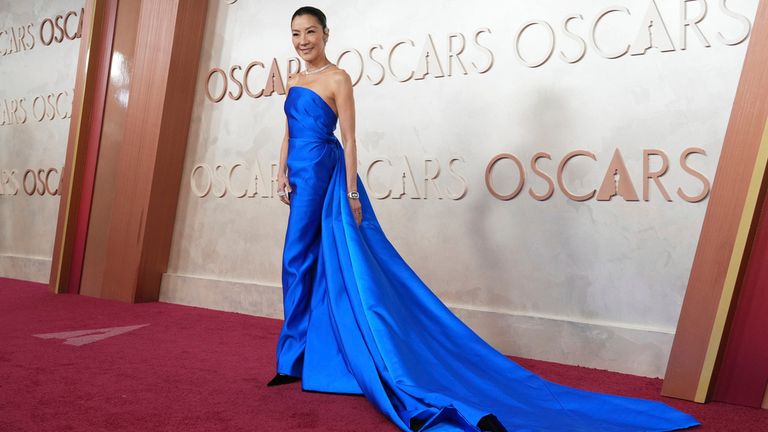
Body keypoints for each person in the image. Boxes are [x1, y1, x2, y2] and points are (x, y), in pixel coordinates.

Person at [268, 6, 700, 432]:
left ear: (326, 33)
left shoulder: (338, 78)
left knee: (308, 260)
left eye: (310, 32)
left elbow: (350, 136)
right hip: (299, 173)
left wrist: (349, 191)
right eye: (295, 34)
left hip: (327, 171)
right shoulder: (293, 79)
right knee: (297, 264)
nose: (303, 41)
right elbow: (288, 130)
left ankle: (309, 358)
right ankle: (295, 356)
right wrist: (279, 168)